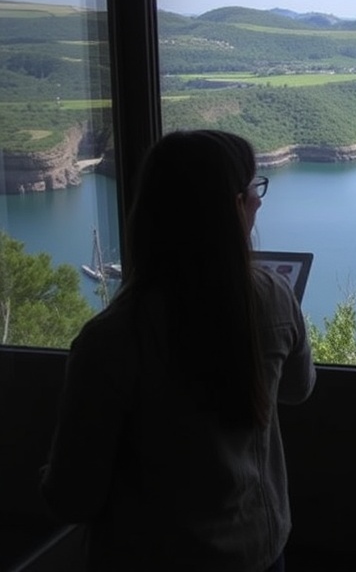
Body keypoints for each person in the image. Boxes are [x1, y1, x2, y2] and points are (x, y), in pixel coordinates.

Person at [40, 130, 316, 571]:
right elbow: (299, 389)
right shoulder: (274, 297)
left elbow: (72, 498)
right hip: (258, 552)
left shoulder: (110, 340)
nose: (258, 202)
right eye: (252, 190)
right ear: (232, 208)